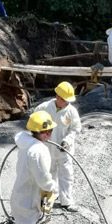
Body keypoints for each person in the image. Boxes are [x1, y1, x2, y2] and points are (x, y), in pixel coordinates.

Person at [11, 110, 58, 224]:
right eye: (48, 131)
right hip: (30, 202)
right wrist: (53, 188)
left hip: (19, 197)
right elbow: (43, 180)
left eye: (50, 130)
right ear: (42, 132)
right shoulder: (38, 151)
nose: (50, 134)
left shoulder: (25, 142)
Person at [34, 82, 82, 212]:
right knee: (48, 174)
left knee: (66, 174)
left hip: (64, 150)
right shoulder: (43, 108)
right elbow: (34, 122)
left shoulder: (71, 112)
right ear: (58, 97)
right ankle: (49, 198)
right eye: (65, 100)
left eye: (68, 101)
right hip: (48, 149)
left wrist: (68, 140)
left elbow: (75, 129)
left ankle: (66, 201)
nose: (67, 103)